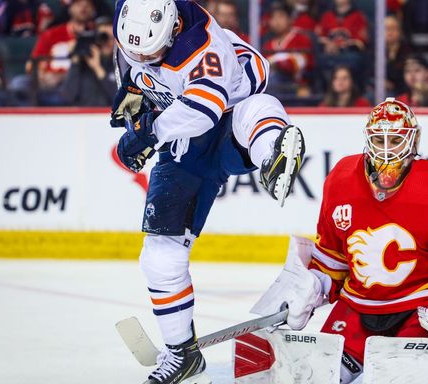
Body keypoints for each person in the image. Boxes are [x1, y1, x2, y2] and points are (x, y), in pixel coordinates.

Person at [111, 0, 306, 383]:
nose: (139, 56)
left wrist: (148, 134)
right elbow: (138, 79)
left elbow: (202, 113)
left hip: (228, 118)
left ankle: (271, 156)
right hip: (183, 146)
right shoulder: (134, 16)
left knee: (261, 108)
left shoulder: (201, 45)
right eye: (132, 49)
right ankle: (182, 352)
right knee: (159, 256)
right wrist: (134, 107)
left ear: (171, 30)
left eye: (149, 51)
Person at [268, 98, 428, 383]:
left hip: (420, 309)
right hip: (357, 307)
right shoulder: (340, 179)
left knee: (395, 379)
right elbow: (333, 257)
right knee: (317, 378)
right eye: (378, 139)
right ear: (367, 139)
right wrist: (313, 287)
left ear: (413, 142)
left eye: (396, 140)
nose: (387, 149)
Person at [59, 16, 117, 106]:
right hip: (82, 117)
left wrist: (98, 69)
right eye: (103, 37)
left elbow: (119, 99)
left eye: (111, 38)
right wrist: (75, 62)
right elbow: (67, 96)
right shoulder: (83, 63)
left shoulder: (119, 65)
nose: (107, 42)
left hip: (108, 116)